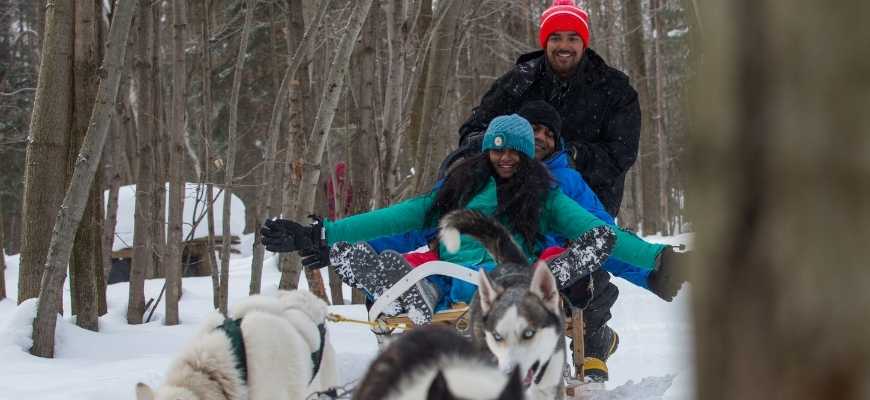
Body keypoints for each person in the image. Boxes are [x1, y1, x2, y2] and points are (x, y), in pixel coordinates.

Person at [261, 114, 675, 334]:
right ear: (486, 153)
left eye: (515, 152)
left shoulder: (546, 197)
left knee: (592, 241)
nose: (506, 159)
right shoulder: (456, 190)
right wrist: (323, 234)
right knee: (414, 267)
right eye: (498, 151)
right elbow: (394, 217)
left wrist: (657, 260)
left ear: (528, 156)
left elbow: (602, 231)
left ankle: (545, 279)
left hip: (512, 281)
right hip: (449, 279)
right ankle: (405, 289)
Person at [457, 0, 639, 218]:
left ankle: (587, 242)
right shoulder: (518, 81)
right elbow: (471, 134)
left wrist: (568, 156)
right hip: (516, 198)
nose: (564, 46)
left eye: (572, 38)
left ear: (584, 43)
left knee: (579, 222)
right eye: (555, 38)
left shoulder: (615, 88)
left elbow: (622, 153)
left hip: (588, 202)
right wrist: (509, 148)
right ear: (545, 42)